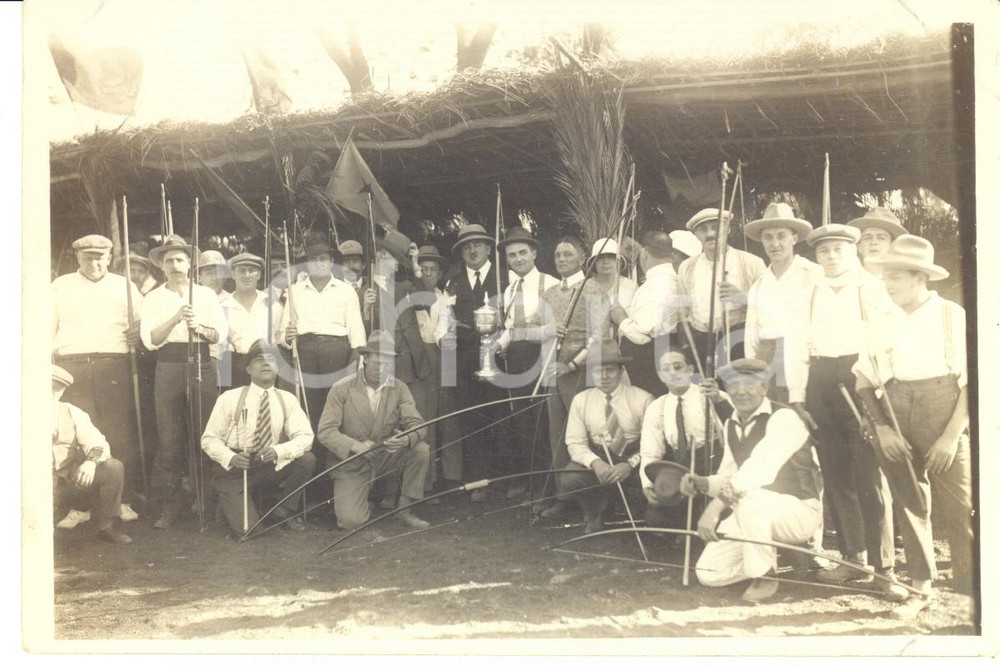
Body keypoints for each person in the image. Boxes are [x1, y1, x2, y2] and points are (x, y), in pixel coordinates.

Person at [854, 235, 974, 615]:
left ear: (920, 277)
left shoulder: (951, 314)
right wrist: (883, 429)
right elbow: (863, 380)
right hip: (893, 413)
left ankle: (973, 587)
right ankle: (922, 588)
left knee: (962, 505)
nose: (886, 285)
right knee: (909, 502)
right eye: (885, 277)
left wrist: (951, 437)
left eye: (894, 278)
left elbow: (977, 380)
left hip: (944, 413)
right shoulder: (881, 319)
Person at [788, 223, 898, 588]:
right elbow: (796, 348)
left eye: (838, 250)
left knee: (870, 475)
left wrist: (876, 399)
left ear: (853, 251)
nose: (831, 257)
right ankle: (854, 558)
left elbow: (884, 343)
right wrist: (798, 398)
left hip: (861, 380)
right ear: (816, 256)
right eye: (824, 251)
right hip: (820, 382)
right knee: (836, 473)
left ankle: (885, 569)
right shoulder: (809, 293)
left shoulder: (873, 288)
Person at [681, 358, 822, 603]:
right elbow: (728, 475)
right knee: (709, 573)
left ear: (764, 388)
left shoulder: (784, 418)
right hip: (754, 515)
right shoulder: (731, 423)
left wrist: (715, 507)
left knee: (750, 497)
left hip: (799, 513)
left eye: (749, 384)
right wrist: (703, 483)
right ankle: (771, 559)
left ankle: (765, 575)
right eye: (733, 385)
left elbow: (760, 470)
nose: (741, 392)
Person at [52, 234, 144, 520]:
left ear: (109, 258)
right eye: (87, 257)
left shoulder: (124, 286)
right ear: (77, 258)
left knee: (119, 433)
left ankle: (120, 501)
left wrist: (137, 332)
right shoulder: (60, 286)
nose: (93, 262)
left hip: (112, 364)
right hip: (73, 365)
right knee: (79, 435)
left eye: (99, 256)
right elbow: (45, 328)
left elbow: (144, 322)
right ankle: (81, 508)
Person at [139, 234, 228, 529]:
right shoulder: (153, 298)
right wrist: (177, 318)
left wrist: (198, 327)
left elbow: (219, 335)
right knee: (170, 439)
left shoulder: (205, 295)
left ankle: (205, 502)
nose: (175, 265)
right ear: (162, 267)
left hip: (201, 361)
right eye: (168, 261)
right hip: (168, 365)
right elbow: (151, 339)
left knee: (205, 434)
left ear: (190, 264)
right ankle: (171, 506)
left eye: (179, 259)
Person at [316, 330, 431, 530]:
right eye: (378, 363)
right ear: (365, 359)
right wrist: (355, 446)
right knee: (350, 521)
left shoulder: (399, 387)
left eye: (388, 363)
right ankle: (360, 502)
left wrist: (405, 439)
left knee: (420, 449)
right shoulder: (341, 388)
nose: (383, 369)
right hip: (351, 461)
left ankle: (404, 510)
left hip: (384, 455)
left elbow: (418, 425)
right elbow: (325, 432)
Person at [201, 339, 316, 537]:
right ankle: (232, 505)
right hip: (236, 468)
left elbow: (306, 436)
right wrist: (231, 457)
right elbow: (209, 439)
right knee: (249, 531)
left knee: (307, 460)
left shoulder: (286, 399)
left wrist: (278, 451)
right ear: (248, 369)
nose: (265, 363)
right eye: (258, 359)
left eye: (271, 359)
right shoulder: (229, 398)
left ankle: (281, 509)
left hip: (267, 463)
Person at [536, 236, 609, 519]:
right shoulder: (550, 293)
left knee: (586, 433)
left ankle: (594, 505)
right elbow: (535, 327)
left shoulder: (593, 289)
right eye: (557, 254)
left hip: (581, 372)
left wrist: (573, 364)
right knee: (558, 435)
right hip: (553, 370)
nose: (562, 259)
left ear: (581, 258)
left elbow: (600, 334)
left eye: (568, 254)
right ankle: (564, 498)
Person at [365, 229, 432, 508]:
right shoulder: (368, 288)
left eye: (389, 255)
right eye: (379, 254)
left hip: (413, 365)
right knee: (388, 424)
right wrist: (365, 306)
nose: (383, 259)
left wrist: (416, 266)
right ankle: (390, 491)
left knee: (416, 423)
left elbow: (429, 298)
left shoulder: (407, 285)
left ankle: (419, 490)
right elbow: (363, 327)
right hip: (386, 364)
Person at [558, 339, 654, 534]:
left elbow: (652, 445)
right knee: (570, 477)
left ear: (620, 371)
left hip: (634, 458)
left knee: (656, 479)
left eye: (610, 370)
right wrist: (595, 463)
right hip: (602, 458)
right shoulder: (581, 400)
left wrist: (629, 464)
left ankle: (646, 512)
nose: (603, 377)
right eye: (597, 371)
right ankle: (596, 511)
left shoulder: (643, 399)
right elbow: (575, 443)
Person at [440, 224, 505, 501]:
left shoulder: (505, 276)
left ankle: (505, 478)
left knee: (500, 415)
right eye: (467, 246)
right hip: (464, 357)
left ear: (489, 248)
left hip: (498, 356)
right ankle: (478, 480)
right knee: (470, 417)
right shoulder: (452, 281)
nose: (473, 250)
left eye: (478, 244)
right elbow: (444, 321)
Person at [279, 237, 366, 444]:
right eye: (313, 259)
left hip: (337, 352)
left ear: (331, 262)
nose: (318, 263)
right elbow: (283, 333)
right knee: (309, 408)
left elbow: (357, 333)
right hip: (306, 353)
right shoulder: (295, 291)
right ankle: (315, 464)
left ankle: (337, 463)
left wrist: (354, 364)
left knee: (339, 409)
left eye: (323, 258)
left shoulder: (346, 291)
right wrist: (287, 337)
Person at [494, 227, 560, 496]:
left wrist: (525, 333)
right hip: (516, 360)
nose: (518, 259)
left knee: (544, 422)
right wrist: (499, 344)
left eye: (523, 252)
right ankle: (535, 486)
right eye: (512, 255)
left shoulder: (551, 284)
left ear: (533, 253)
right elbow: (511, 328)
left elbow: (556, 328)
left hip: (542, 358)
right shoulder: (510, 290)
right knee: (522, 422)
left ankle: (551, 487)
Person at [640, 348, 732, 530]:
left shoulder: (710, 394)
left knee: (717, 518)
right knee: (656, 518)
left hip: (712, 463)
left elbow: (735, 428)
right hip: (679, 466)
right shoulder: (656, 407)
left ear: (690, 370)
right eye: (666, 369)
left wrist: (719, 401)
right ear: (660, 375)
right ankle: (684, 531)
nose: (673, 372)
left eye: (678, 366)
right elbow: (650, 452)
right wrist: (647, 484)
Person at [742, 202, 822, 402]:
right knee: (775, 416)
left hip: (806, 358)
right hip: (769, 359)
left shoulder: (814, 274)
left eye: (781, 236)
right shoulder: (759, 285)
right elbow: (752, 337)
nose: (774, 243)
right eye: (768, 237)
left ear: (794, 238)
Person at [52, 365, 133, 544]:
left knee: (113, 468)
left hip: (64, 485)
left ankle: (106, 528)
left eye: (57, 388)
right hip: (26, 487)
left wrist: (90, 462)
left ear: (62, 391)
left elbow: (98, 443)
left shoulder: (71, 412)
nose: (51, 393)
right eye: (47, 386)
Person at [677, 208, 766, 368]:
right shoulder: (687, 267)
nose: (710, 233)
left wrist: (744, 298)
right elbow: (683, 311)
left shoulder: (752, 263)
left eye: (715, 226)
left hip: (738, 340)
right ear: (696, 235)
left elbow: (771, 306)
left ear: (728, 229)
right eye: (703, 229)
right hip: (701, 344)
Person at [415, 245, 463, 490]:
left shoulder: (444, 300)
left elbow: (444, 333)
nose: (428, 273)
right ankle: (426, 480)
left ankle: (453, 476)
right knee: (425, 418)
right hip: (417, 359)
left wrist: (447, 338)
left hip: (442, 356)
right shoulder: (408, 297)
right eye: (423, 269)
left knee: (449, 415)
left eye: (433, 269)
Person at [609, 231, 680, 397]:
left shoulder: (657, 285)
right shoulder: (669, 280)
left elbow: (642, 336)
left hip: (652, 368)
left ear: (645, 254)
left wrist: (621, 318)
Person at [219, 253, 283, 389]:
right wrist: (223, 380)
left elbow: (279, 336)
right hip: (233, 364)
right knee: (233, 407)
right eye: (241, 270)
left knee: (265, 406)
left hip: (265, 363)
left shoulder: (272, 304)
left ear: (259, 275)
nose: (246, 275)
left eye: (251, 271)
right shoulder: (222, 306)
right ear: (233, 274)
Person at [847, 207, 907, 273]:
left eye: (881, 238)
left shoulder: (902, 281)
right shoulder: (847, 280)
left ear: (892, 246)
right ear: (859, 247)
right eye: (867, 238)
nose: (873, 242)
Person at [589, 237, 637, 311]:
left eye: (611, 257)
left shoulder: (631, 287)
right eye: (601, 258)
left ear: (619, 262)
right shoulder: (585, 288)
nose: (606, 262)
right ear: (594, 263)